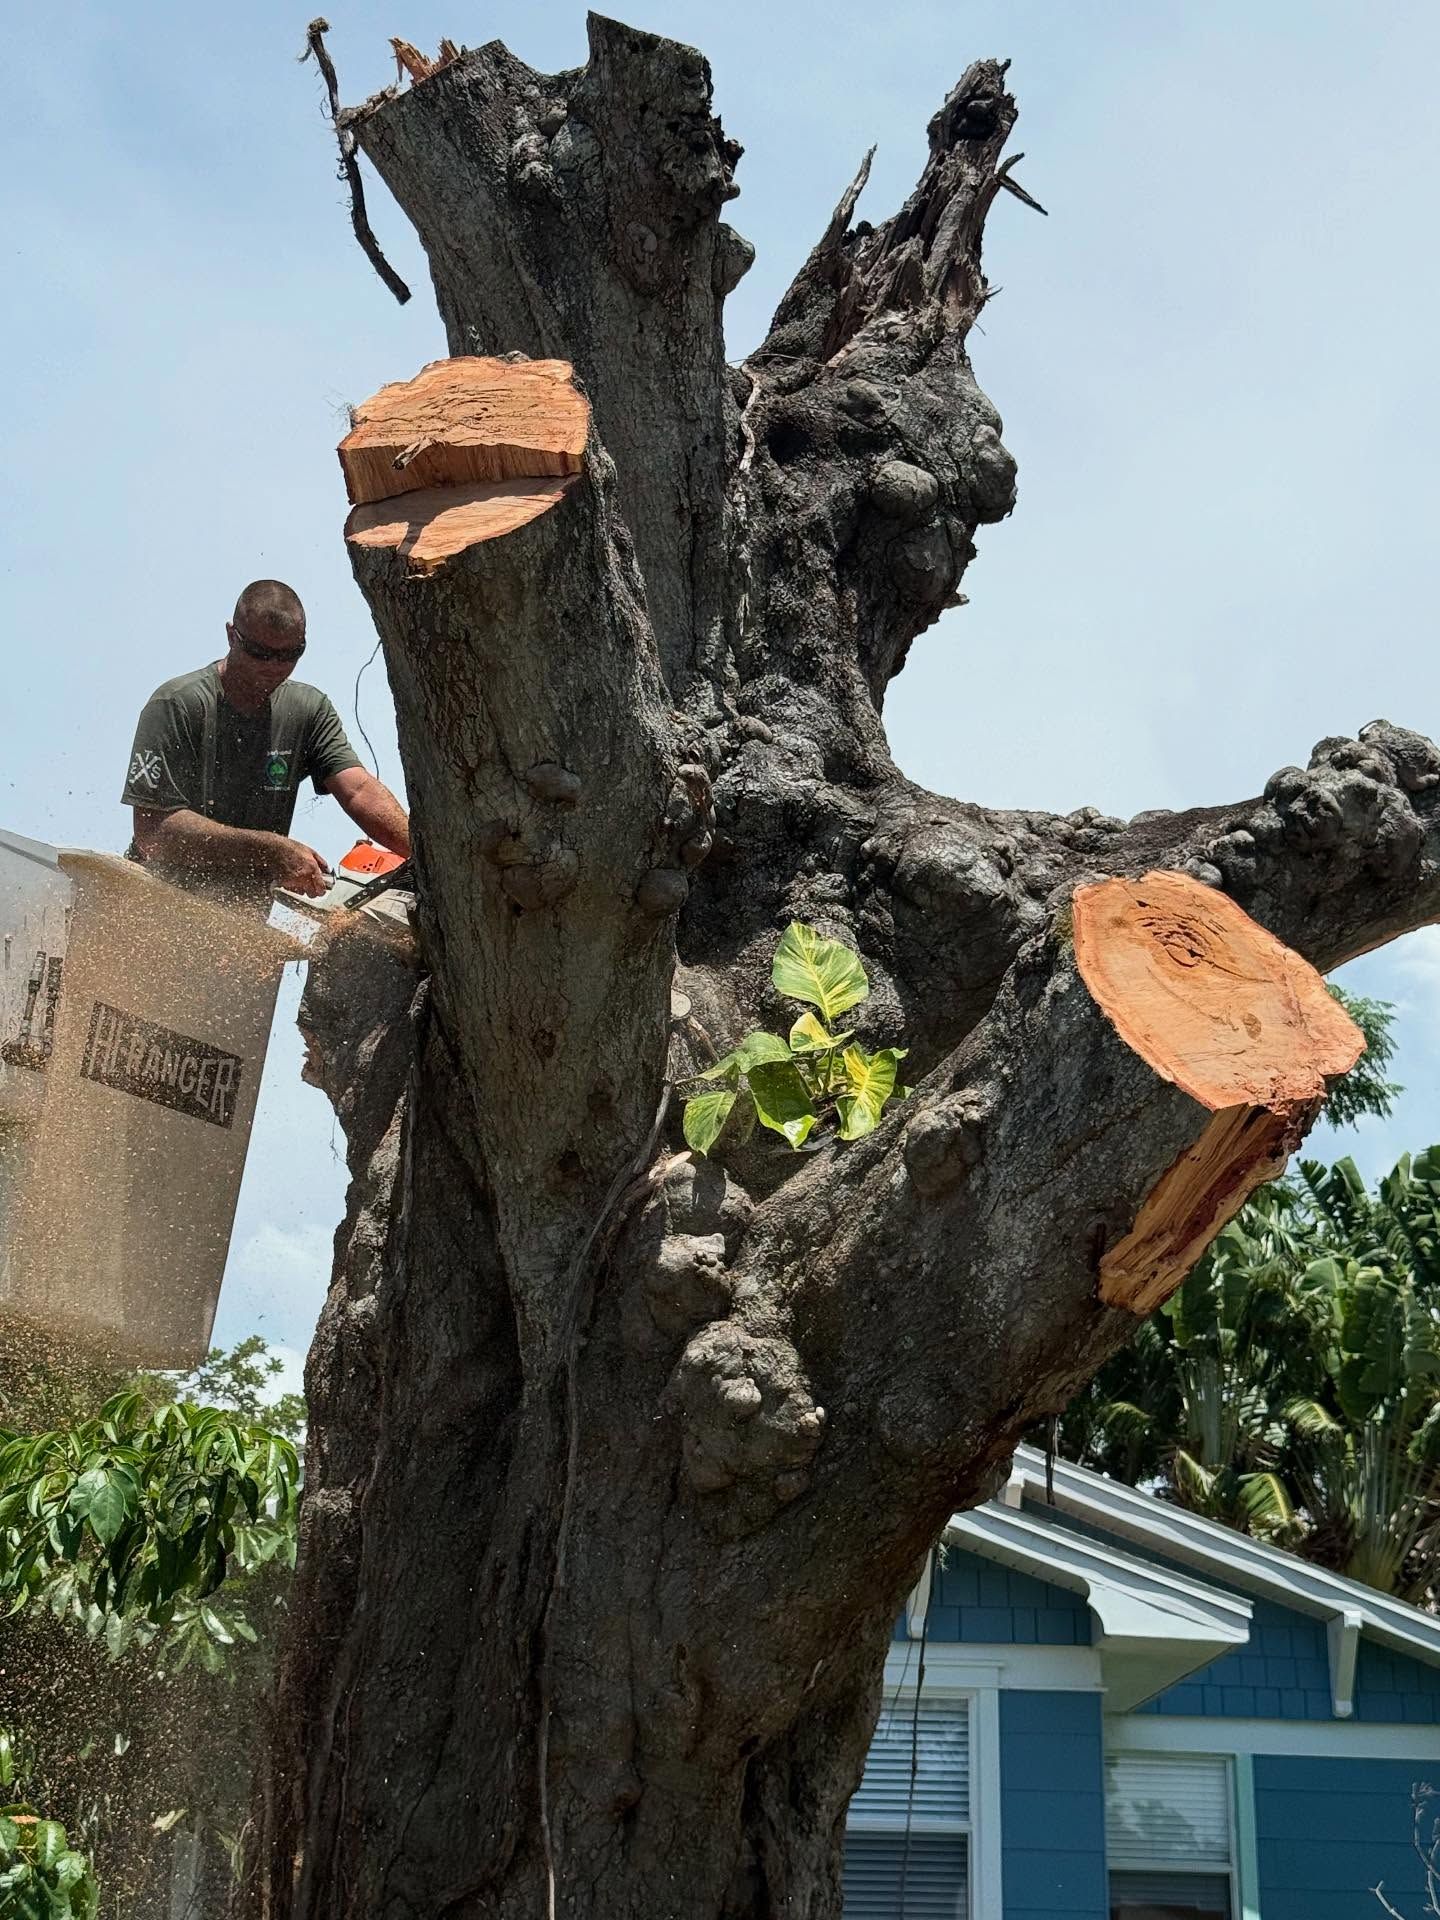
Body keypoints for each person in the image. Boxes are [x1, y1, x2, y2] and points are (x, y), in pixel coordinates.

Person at [122, 579, 409, 903]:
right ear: (232, 636)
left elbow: (358, 790)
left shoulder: (307, 710)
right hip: (154, 908)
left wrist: (425, 850)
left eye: (290, 654)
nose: (274, 668)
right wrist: (271, 851)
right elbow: (153, 832)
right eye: (261, 654)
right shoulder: (179, 705)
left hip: (243, 920)